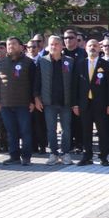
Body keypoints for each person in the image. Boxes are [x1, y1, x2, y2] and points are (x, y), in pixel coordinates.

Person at [73, 39, 109, 166]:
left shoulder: (106, 65)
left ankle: (103, 157)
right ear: (86, 48)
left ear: (99, 48)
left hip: (101, 104)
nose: (92, 47)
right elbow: (74, 86)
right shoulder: (79, 64)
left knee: (102, 131)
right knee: (86, 131)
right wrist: (75, 104)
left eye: (95, 46)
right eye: (90, 45)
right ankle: (87, 156)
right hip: (84, 104)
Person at [34, 35, 75, 165]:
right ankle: (53, 153)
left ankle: (65, 153)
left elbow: (75, 82)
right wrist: (36, 98)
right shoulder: (42, 61)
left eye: (56, 44)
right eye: (51, 44)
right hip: (49, 102)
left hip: (66, 102)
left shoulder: (70, 61)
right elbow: (37, 81)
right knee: (51, 129)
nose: (54, 46)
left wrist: (75, 102)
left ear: (62, 46)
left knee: (66, 129)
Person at [0, 37, 36, 166]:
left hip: (23, 104)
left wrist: (33, 101)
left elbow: (34, 83)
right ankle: (14, 157)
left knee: (25, 132)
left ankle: (26, 157)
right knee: (11, 132)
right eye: (9, 44)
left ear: (21, 46)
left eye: (14, 44)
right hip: (6, 104)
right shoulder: (1, 62)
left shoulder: (29, 63)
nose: (11, 46)